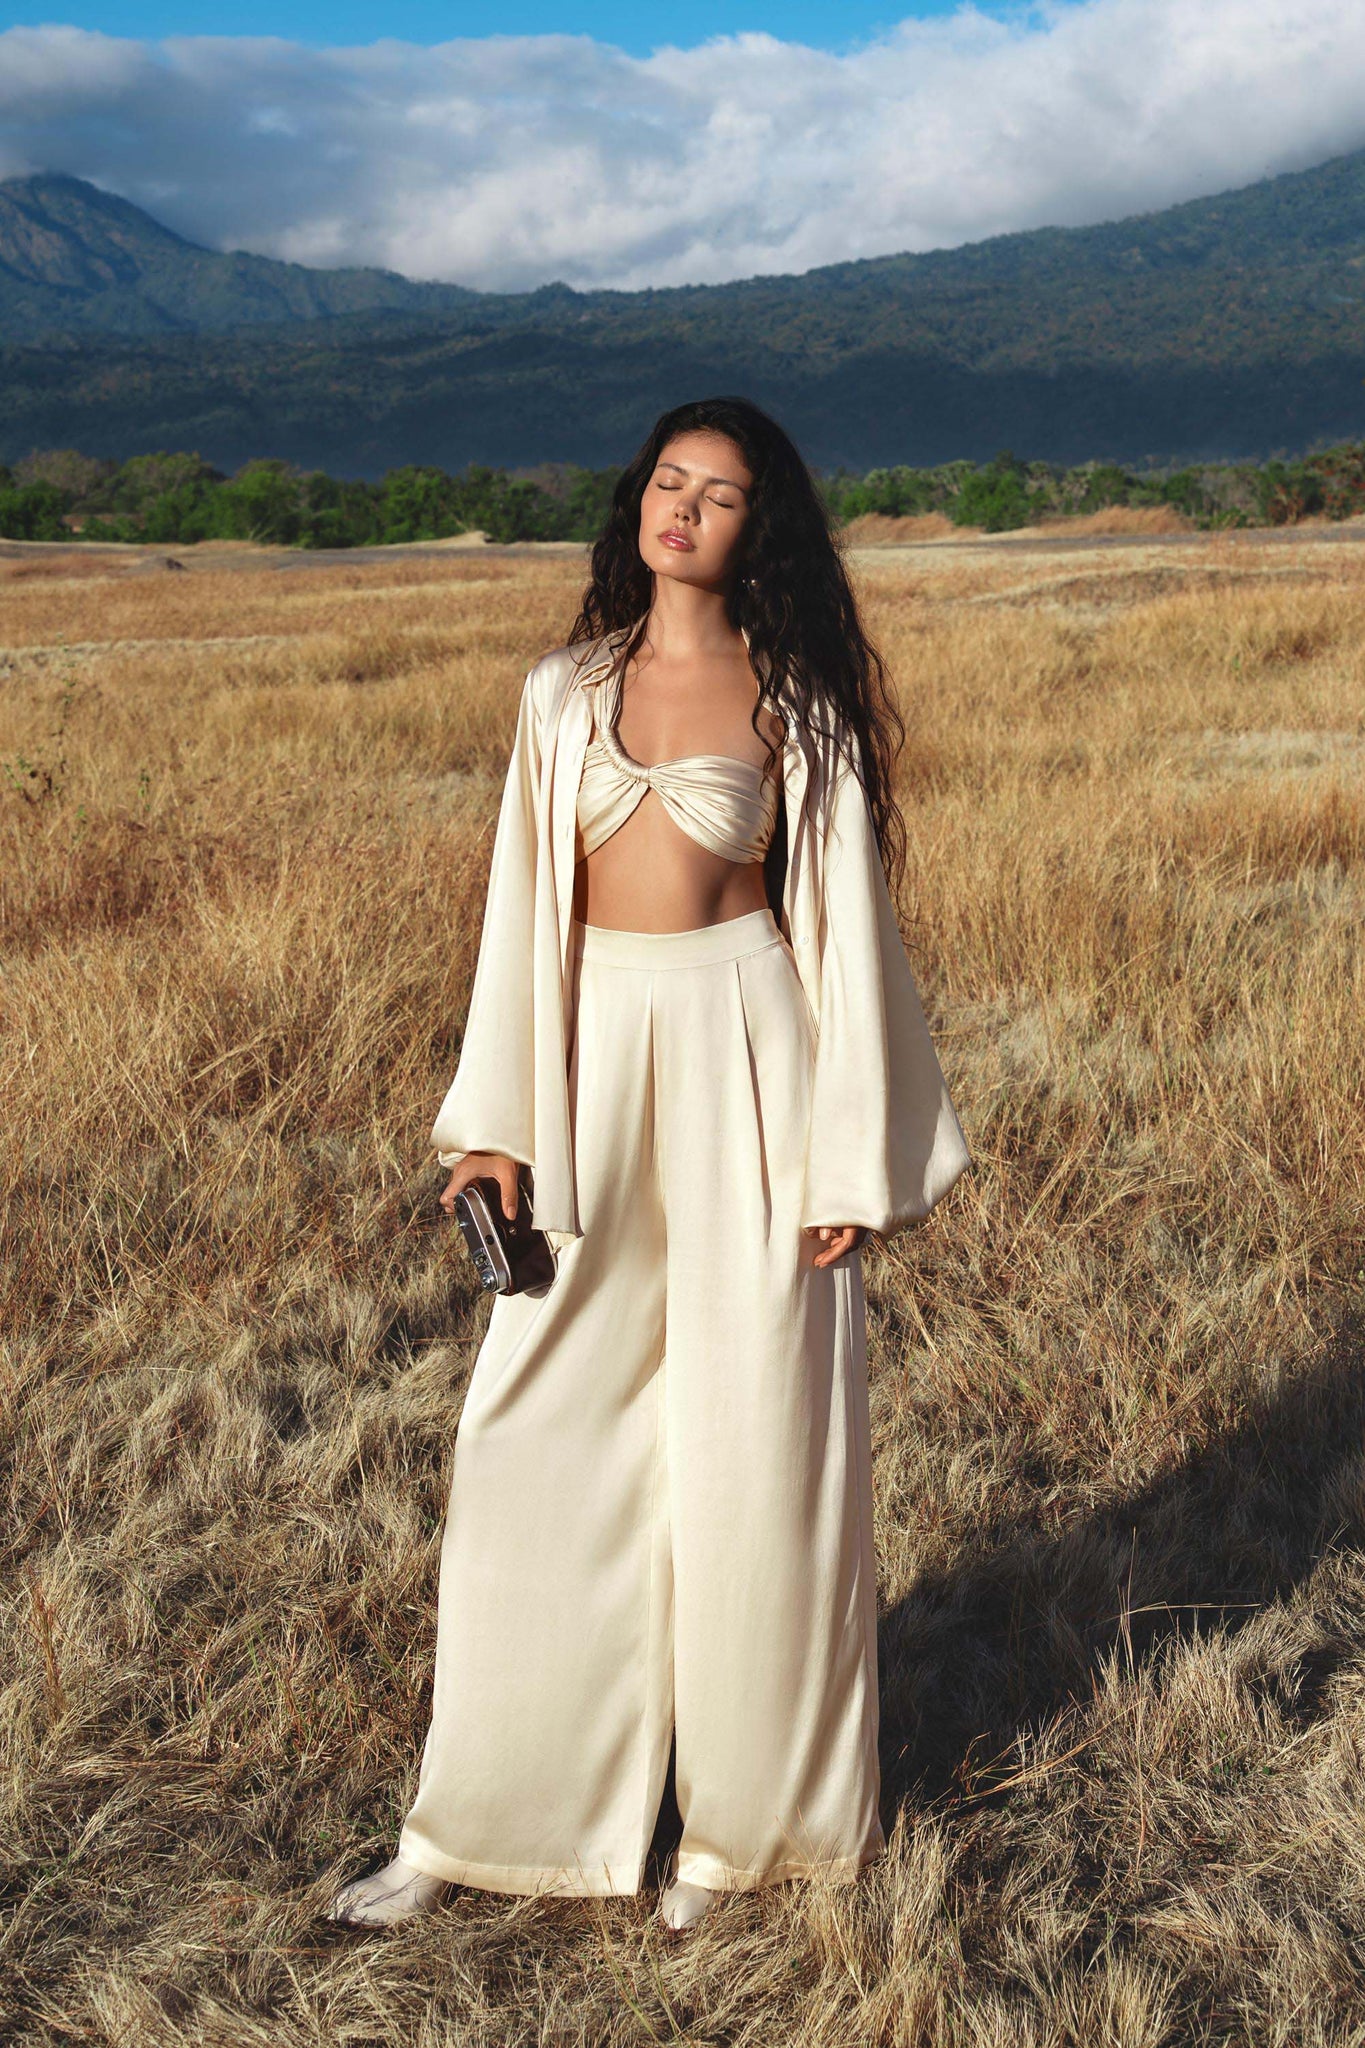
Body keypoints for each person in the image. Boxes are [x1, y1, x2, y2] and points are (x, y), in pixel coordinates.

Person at [329, 395, 970, 1937]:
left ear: (765, 529)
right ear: (635, 505)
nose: (685, 510)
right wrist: (495, 1125)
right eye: (668, 483)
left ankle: (749, 1838)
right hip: (589, 1061)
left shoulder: (799, 701)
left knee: (761, 1444)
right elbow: (516, 919)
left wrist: (847, 1165)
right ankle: (482, 1818)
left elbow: (841, 942)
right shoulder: (562, 694)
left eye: (724, 494)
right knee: (530, 1424)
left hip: (752, 1055)